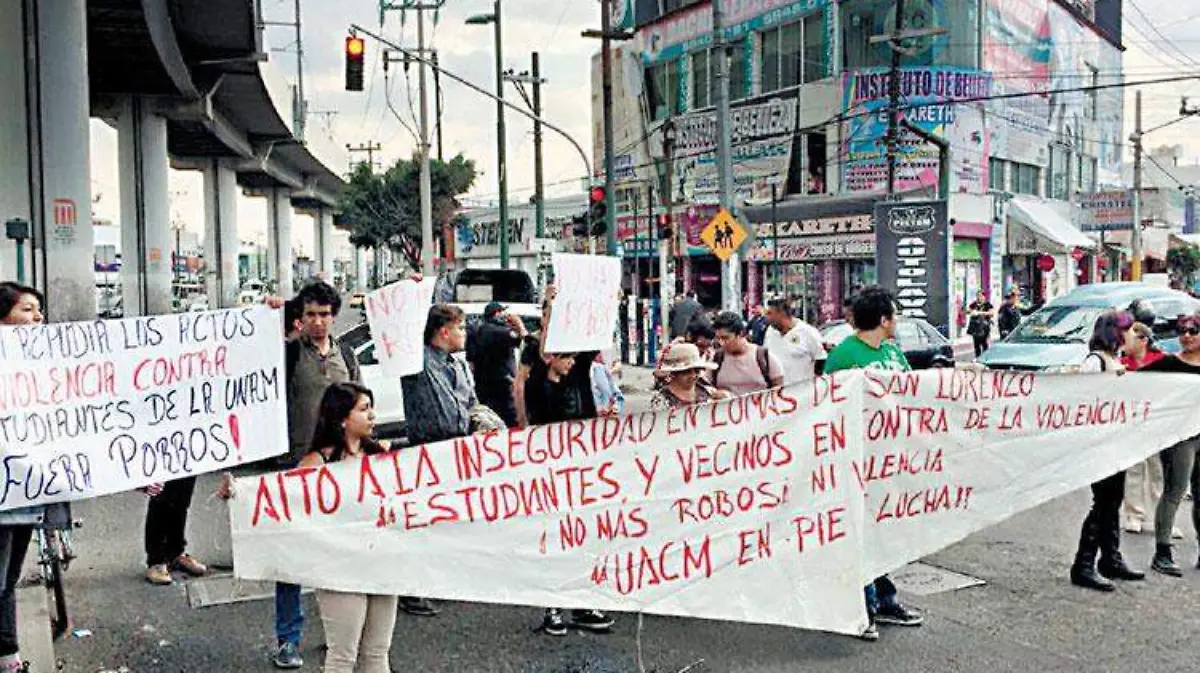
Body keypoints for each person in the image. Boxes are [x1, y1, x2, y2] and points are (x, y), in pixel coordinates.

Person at [822, 287, 922, 641]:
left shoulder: (893, 352)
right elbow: (828, 407)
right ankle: (861, 606)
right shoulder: (844, 356)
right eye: (894, 315)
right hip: (857, 460)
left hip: (890, 460)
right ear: (883, 320)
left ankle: (885, 597)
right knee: (859, 534)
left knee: (883, 532)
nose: (896, 321)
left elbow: (912, 392)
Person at [524, 288, 614, 637]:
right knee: (554, 536)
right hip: (551, 471)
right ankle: (552, 607)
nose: (575, 362)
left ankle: (582, 602)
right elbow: (544, 343)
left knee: (583, 534)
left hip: (583, 467)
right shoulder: (536, 385)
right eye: (567, 357)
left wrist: (602, 304)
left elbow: (591, 343)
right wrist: (552, 307)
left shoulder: (578, 374)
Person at [298, 383, 398, 673]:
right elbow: (281, 501)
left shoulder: (380, 456)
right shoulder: (317, 462)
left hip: (382, 564)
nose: (372, 416)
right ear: (342, 418)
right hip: (339, 570)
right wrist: (239, 492)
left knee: (377, 653)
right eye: (364, 409)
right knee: (343, 655)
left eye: (372, 408)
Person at [397, 303, 480, 616]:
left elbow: (471, 402)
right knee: (421, 522)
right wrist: (414, 295)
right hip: (427, 449)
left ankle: (437, 581)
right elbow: (401, 331)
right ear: (443, 332)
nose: (464, 333)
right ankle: (411, 589)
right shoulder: (417, 362)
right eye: (460, 328)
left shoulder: (457, 365)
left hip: (457, 448)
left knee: (447, 520)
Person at [1070, 311, 1144, 591]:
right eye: (1127, 329)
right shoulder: (1096, 362)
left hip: (1117, 441)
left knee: (1113, 500)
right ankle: (1084, 564)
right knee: (1102, 501)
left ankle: (1110, 558)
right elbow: (1085, 401)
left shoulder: (1115, 360)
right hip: (1099, 443)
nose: (1131, 335)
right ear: (1116, 331)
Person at [0, 283, 49, 671]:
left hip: (25, 492)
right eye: (28, 310)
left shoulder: (42, 365)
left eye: (38, 311)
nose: (37, 318)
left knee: (9, 578)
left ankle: (8, 654)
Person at [1140, 311, 1200, 576]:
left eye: (1193, 331)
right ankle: (1162, 552)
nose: (1186, 336)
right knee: (1175, 491)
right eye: (1182, 331)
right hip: (1180, 437)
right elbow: (1133, 383)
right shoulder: (1168, 363)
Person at [1119, 323, 1172, 535]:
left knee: (1159, 470)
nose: (1125, 342)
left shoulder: (1162, 361)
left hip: (1157, 422)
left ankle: (1164, 516)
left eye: (1130, 337)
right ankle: (1134, 514)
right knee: (1134, 469)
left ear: (1143, 340)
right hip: (1132, 423)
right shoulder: (1122, 364)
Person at [467, 301, 527, 427]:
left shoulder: (475, 331)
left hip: (482, 385)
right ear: (497, 313)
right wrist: (518, 324)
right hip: (503, 385)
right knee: (510, 421)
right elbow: (525, 340)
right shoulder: (501, 332)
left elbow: (471, 361)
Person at [711, 311, 784, 396]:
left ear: (740, 334)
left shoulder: (764, 357)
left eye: (725, 338)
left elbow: (779, 391)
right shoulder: (716, 359)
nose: (721, 343)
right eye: (718, 338)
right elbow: (706, 387)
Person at [763, 297, 826, 385]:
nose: (766, 317)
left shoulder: (808, 332)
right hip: (778, 392)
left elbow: (820, 358)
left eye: (770, 313)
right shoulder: (770, 332)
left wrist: (814, 383)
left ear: (782, 314)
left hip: (802, 393)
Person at [649, 343, 725, 409]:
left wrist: (724, 400)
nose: (693, 375)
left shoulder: (710, 392)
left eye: (697, 370)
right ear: (673, 373)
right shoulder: (660, 400)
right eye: (686, 372)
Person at [966, 291, 995, 356]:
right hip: (975, 327)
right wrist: (970, 311)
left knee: (984, 342)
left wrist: (980, 313)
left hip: (985, 327)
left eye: (980, 296)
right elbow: (968, 310)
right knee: (976, 343)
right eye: (978, 296)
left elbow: (991, 312)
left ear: (984, 297)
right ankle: (977, 357)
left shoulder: (988, 304)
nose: (979, 298)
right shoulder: (974, 304)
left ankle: (985, 356)